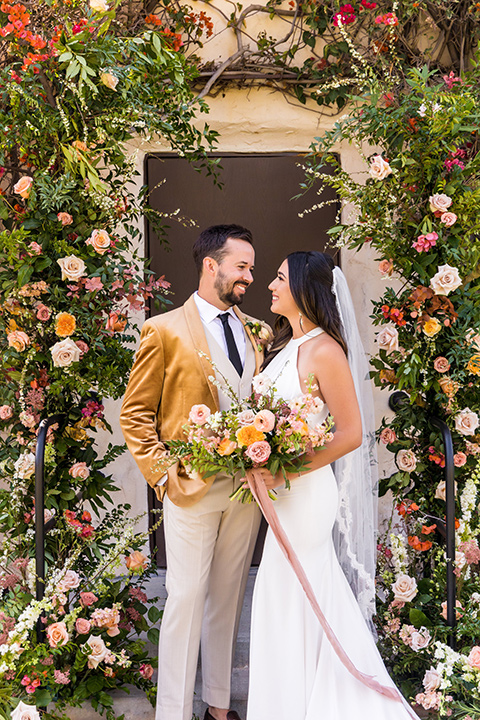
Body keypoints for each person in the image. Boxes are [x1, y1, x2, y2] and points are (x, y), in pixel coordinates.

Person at [246, 251, 420, 720]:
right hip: (279, 493)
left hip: (304, 494)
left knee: (298, 589)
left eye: (279, 278)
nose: (270, 286)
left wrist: (286, 469)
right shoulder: (284, 347)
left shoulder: (325, 350)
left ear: (304, 289)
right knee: (282, 593)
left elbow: (350, 433)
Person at [120, 225, 264, 720]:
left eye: (250, 266)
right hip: (190, 488)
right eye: (241, 265)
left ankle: (218, 709)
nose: (250, 275)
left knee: (228, 597)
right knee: (184, 600)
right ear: (212, 265)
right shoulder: (163, 330)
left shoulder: (256, 331)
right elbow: (135, 415)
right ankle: (174, 712)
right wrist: (165, 477)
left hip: (246, 490)